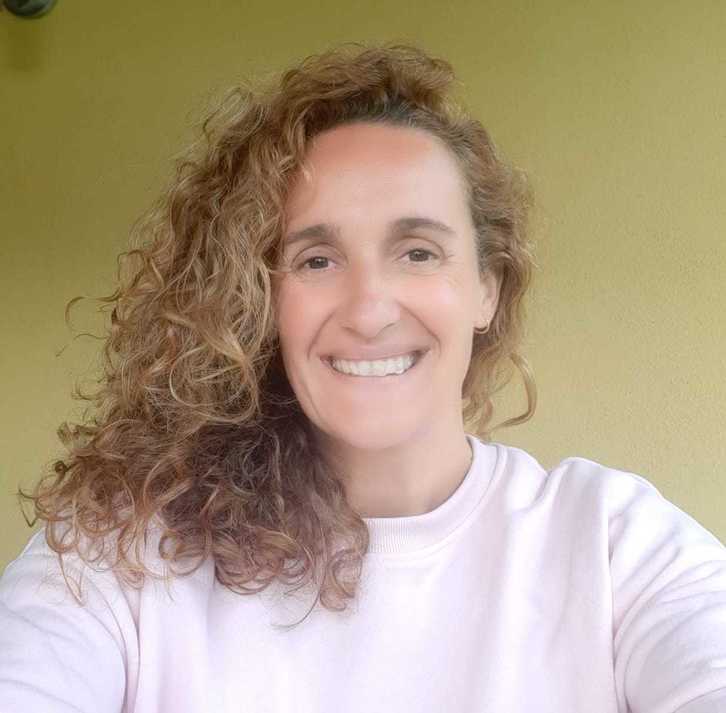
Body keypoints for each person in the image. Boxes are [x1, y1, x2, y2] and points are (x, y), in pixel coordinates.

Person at [1, 41, 724, 713]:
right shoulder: (119, 548)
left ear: (487, 288)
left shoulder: (613, 544)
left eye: (418, 252)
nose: (370, 311)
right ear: (258, 299)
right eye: (316, 260)